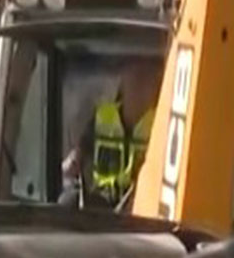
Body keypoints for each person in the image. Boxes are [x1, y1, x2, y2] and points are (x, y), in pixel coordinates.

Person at [62, 60, 162, 208]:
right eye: (134, 75)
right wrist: (73, 162)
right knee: (67, 202)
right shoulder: (102, 117)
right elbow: (78, 153)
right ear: (122, 82)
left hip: (144, 207)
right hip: (103, 204)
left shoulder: (162, 123)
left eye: (146, 77)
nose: (138, 83)